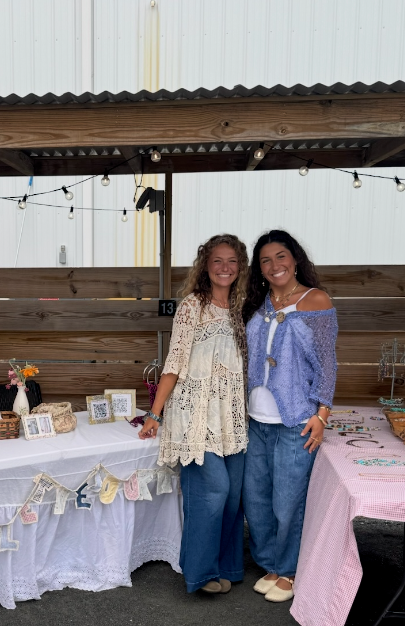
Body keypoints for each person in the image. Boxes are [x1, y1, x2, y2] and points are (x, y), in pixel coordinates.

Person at [139, 235, 249, 595]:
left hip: (230, 415)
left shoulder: (240, 307)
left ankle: (228, 566)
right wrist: (155, 414)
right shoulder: (192, 306)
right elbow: (174, 363)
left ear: (241, 266)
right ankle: (200, 573)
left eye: (231, 261)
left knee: (233, 495)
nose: (224, 268)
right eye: (217, 261)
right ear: (205, 265)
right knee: (212, 490)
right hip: (195, 413)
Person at [240, 230, 337, 603]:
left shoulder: (315, 301)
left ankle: (291, 570)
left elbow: (328, 363)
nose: (274, 265)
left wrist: (322, 414)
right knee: (257, 499)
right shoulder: (260, 302)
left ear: (295, 259)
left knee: (288, 501)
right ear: (260, 269)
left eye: (281, 256)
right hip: (257, 419)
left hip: (297, 419)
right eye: (266, 260)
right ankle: (272, 564)